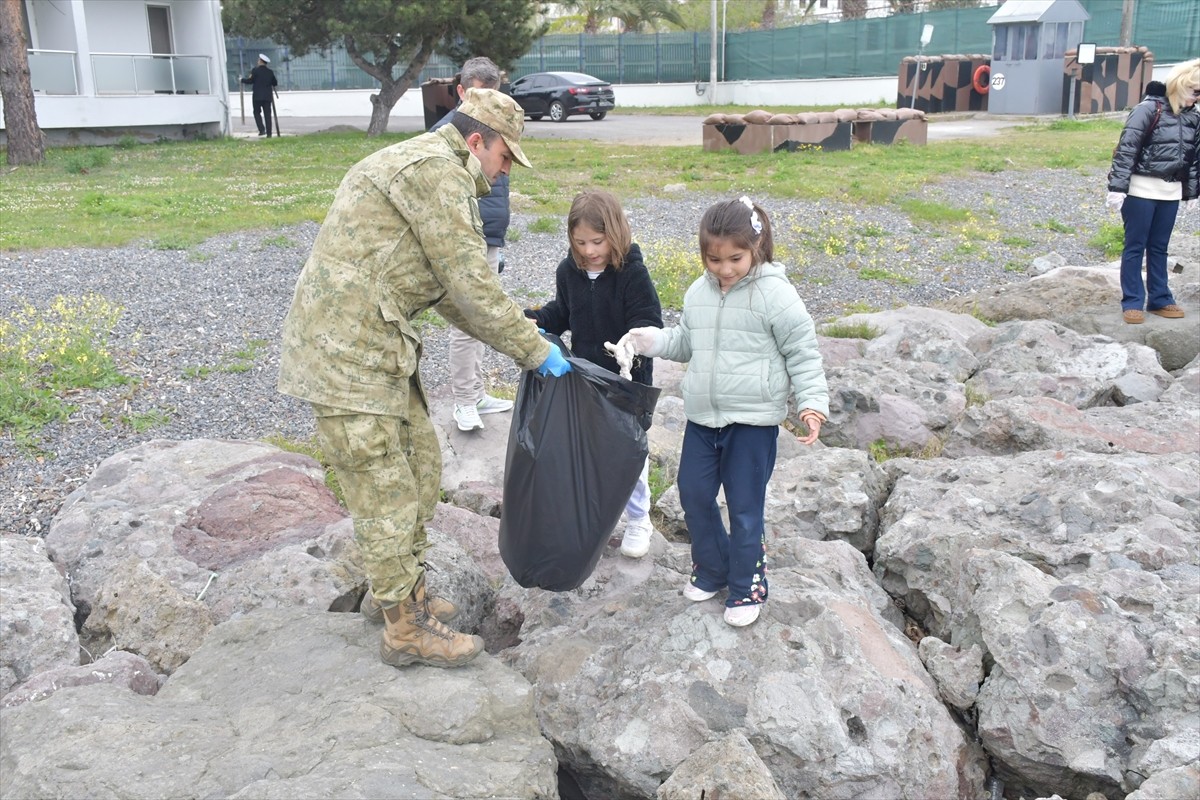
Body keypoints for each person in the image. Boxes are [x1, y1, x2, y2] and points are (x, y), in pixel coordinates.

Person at [278, 88, 572, 669]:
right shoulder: (436, 174)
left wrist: (525, 344)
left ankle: (397, 594)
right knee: (385, 488)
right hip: (347, 356)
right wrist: (534, 352)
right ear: (475, 140)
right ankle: (405, 630)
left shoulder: (427, 165)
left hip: (375, 348)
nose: (505, 170)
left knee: (418, 468)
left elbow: (451, 296)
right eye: (505, 156)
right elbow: (472, 286)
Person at [613, 197, 829, 628]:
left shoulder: (777, 295)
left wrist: (811, 403)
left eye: (735, 258)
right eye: (714, 259)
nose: (724, 269)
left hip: (752, 422)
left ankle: (748, 582)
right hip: (703, 418)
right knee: (693, 493)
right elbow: (686, 341)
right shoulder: (699, 292)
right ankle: (712, 568)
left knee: (745, 506)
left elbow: (802, 353)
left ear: (757, 247)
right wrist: (649, 341)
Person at [524, 190, 664, 558]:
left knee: (629, 454)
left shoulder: (631, 272)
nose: (588, 250)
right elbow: (563, 312)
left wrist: (635, 341)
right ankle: (596, 520)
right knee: (588, 454)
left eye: (597, 241)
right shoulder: (568, 271)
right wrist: (536, 318)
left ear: (615, 234)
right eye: (580, 242)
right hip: (585, 382)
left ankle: (638, 519)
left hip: (625, 383)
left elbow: (648, 318)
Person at [429, 57, 516, 432]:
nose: (488, 104)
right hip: (465, 237)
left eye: (493, 95)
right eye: (480, 94)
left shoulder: (496, 129)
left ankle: (476, 393)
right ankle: (464, 400)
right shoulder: (446, 136)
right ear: (462, 92)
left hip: (489, 236)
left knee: (480, 320)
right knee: (467, 321)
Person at [1106, 59, 1200, 324]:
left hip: (1169, 193)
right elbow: (1127, 149)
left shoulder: (1194, 117)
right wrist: (1118, 188)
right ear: (1181, 85)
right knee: (1135, 246)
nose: (1197, 97)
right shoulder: (1147, 109)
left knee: (1159, 247)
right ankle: (1132, 301)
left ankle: (1160, 299)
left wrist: (1191, 192)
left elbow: (1194, 159)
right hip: (1139, 190)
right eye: (1195, 91)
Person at [240, 54, 278, 138]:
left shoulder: (255, 70)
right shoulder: (270, 72)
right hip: (267, 97)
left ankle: (262, 130)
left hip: (257, 96)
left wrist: (242, 80)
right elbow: (275, 83)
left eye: (258, 60)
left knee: (256, 112)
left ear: (260, 61)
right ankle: (269, 134)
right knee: (267, 115)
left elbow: (250, 81)